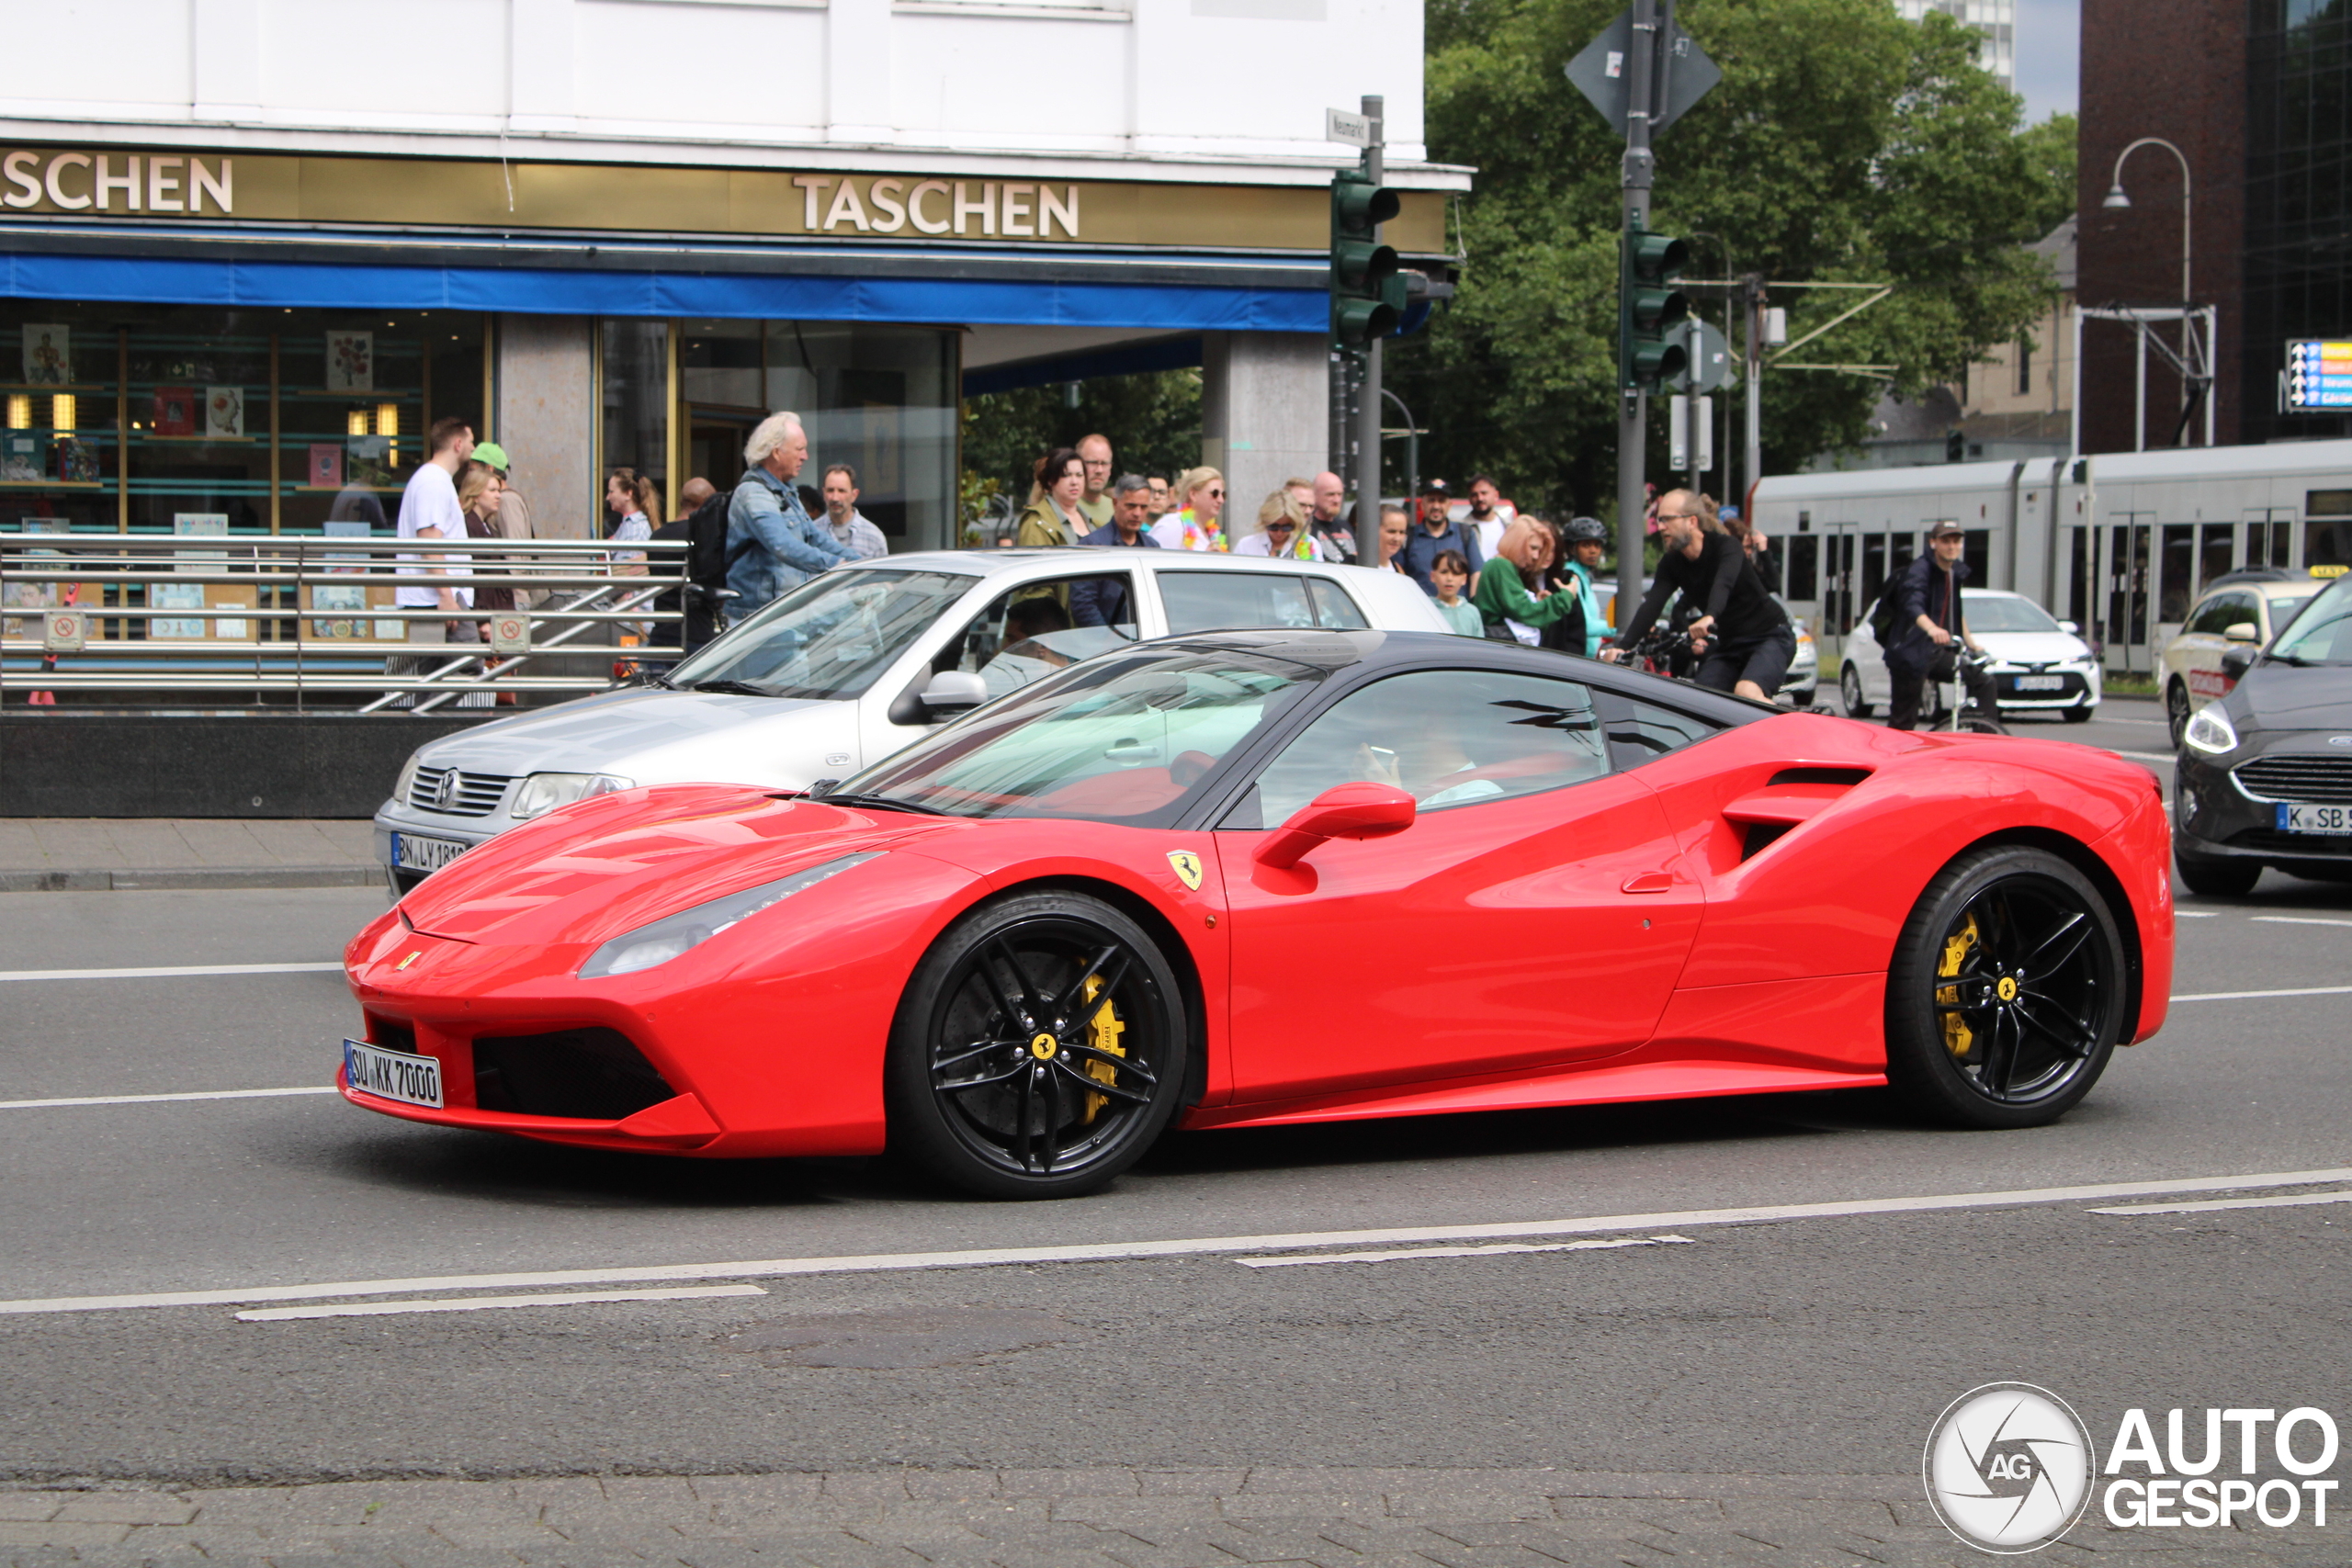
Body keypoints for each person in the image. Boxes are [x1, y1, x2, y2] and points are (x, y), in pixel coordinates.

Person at [1604, 490, 1794, 701]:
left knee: (1747, 692)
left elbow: (1724, 583)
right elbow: (1652, 605)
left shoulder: (1726, 546)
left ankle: (1791, 732)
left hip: (1770, 636)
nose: (1660, 527)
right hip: (1729, 644)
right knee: (1700, 701)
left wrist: (1709, 616)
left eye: (1667, 520)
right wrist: (1621, 647)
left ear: (1691, 521)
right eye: (1659, 520)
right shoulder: (1671, 563)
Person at [725, 412, 854, 615]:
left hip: (784, 613)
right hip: (758, 617)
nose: (805, 456)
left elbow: (813, 536)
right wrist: (836, 564)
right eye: (800, 449)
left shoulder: (786, 490)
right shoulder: (753, 493)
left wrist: (858, 562)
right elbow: (782, 545)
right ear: (776, 452)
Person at [387, 415, 473, 697]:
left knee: (435, 680)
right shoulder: (433, 482)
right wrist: (446, 597)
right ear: (458, 444)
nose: (474, 448)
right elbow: (430, 540)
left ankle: (426, 730)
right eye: (471, 442)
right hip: (435, 600)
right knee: (456, 674)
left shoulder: (432, 480)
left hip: (433, 599)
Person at [1885, 521, 1996, 731]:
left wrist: (1972, 643)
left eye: (1956, 541)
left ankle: (1986, 739)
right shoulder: (1919, 570)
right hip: (1909, 653)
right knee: (1904, 720)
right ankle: (1894, 758)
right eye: (1945, 541)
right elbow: (1912, 604)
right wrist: (1931, 628)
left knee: (1983, 681)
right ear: (1933, 543)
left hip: (1936, 652)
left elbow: (1957, 611)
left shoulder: (1953, 572)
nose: (1952, 546)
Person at [1470, 518, 1581, 645]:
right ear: (1516, 542)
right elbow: (1526, 613)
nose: (1536, 556)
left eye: (1539, 550)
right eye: (1533, 548)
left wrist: (1538, 603)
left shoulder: (1501, 565)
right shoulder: (1501, 565)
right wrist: (1565, 597)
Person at [1071, 474, 1162, 628]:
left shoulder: (1152, 548)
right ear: (1115, 503)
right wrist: (1107, 640)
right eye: (1131, 506)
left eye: (1143, 507)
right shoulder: (1092, 546)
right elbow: (1083, 605)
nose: (1137, 513)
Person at [1399, 482, 1484, 595]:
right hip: (1420, 610)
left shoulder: (1465, 533)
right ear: (1422, 505)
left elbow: (1476, 573)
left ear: (1449, 505)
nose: (1436, 506)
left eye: (1441, 501)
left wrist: (1473, 605)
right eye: (1431, 500)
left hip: (1457, 610)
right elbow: (1398, 575)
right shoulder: (1408, 537)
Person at [1553, 516, 1608, 659]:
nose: (1593, 551)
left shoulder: (1583, 576)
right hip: (1575, 659)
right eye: (1586, 545)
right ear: (1572, 548)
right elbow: (1584, 626)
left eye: (1597, 545)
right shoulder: (1570, 577)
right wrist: (1620, 628)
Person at [1017, 448, 1090, 547]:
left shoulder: (1094, 522)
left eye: (1079, 475)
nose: (1074, 482)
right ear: (1050, 480)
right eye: (1066, 475)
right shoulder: (1036, 523)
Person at [819, 464, 889, 559]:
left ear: (854, 495)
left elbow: (882, 573)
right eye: (830, 490)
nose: (835, 498)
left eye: (841, 491)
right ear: (824, 493)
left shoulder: (874, 536)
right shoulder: (812, 532)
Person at [1236, 490, 1329, 560]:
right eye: (1273, 527)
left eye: (1287, 527)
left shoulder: (1310, 545)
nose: (1279, 533)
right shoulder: (1246, 545)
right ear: (1265, 521)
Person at [1151, 468, 1228, 551]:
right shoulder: (1173, 525)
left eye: (1223, 495)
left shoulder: (1214, 533)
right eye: (1215, 493)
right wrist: (1204, 559)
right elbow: (1154, 561)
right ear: (1193, 494)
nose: (1221, 500)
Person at [1429, 549, 1483, 636]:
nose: (1449, 578)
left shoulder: (1472, 612)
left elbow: (1480, 646)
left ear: (1464, 579)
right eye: (1444, 572)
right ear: (1433, 576)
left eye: (1456, 573)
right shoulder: (1427, 610)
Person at [1307, 470, 1355, 563]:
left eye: (1340, 494)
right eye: (1330, 494)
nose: (1336, 500)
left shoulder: (1345, 525)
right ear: (1315, 495)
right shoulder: (1307, 527)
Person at [1464, 474, 1511, 565]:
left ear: (1496, 495)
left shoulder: (1508, 528)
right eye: (1474, 495)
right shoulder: (1462, 529)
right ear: (1469, 498)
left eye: (1484, 493)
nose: (1480, 498)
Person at [1074, 434, 1115, 533]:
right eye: (1093, 462)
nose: (1099, 470)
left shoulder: (1117, 508)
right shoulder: (1066, 506)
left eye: (1104, 463)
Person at [1372, 505, 1411, 574]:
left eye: (1402, 532)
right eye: (1391, 531)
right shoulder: (1353, 565)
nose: (1397, 538)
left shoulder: (1398, 569)